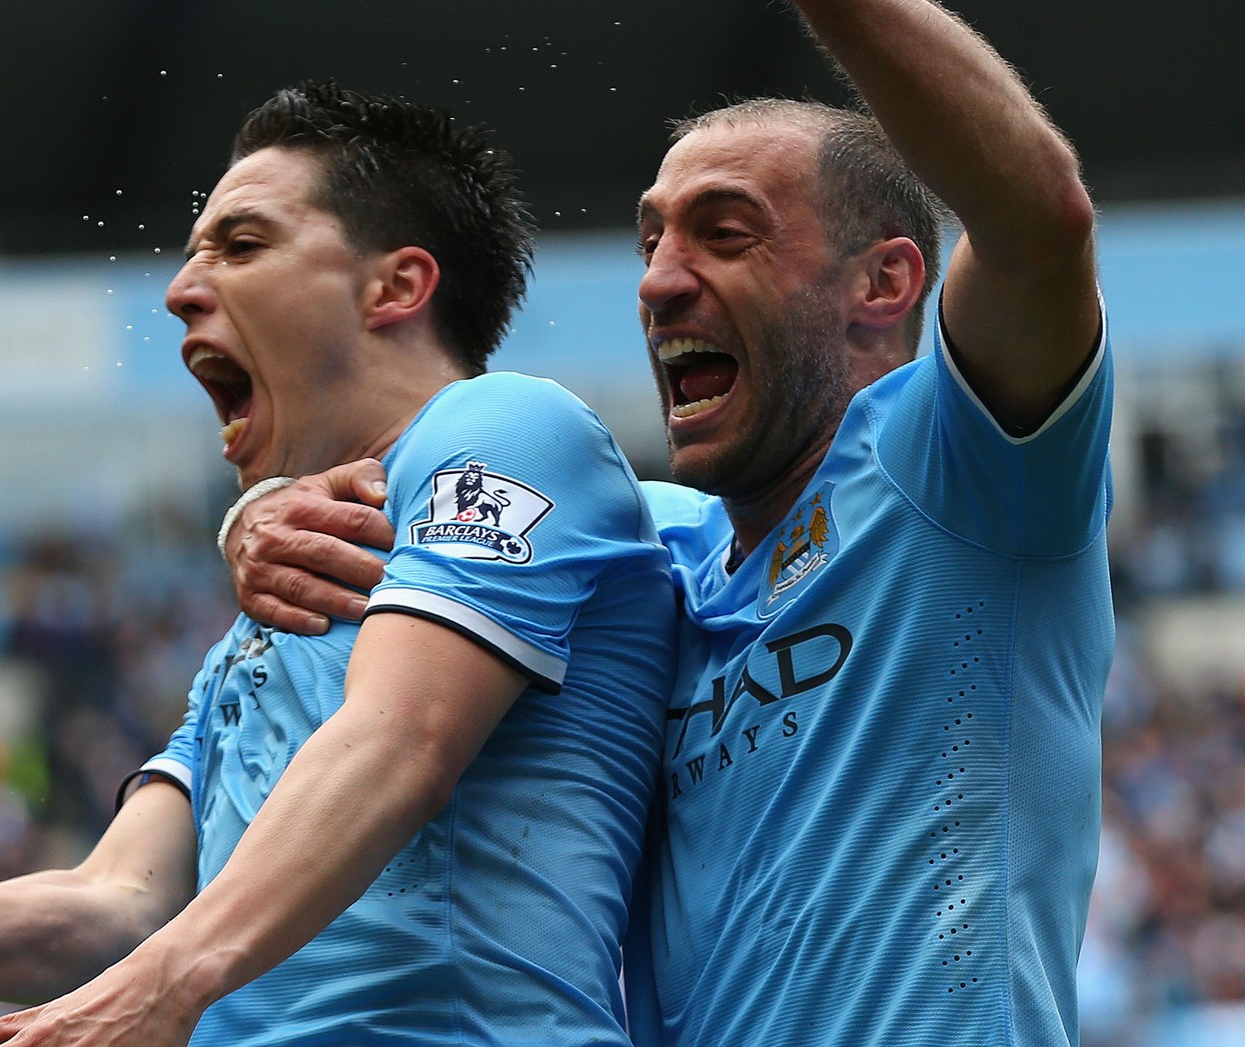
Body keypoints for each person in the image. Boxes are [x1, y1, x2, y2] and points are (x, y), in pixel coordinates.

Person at [219, 2, 1114, 1045]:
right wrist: (254, 510)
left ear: (884, 280)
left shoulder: (955, 476)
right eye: (652, 239)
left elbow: (1041, 222)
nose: (658, 281)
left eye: (724, 234)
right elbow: (436, 493)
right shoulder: (658, 554)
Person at [0, 81, 677, 1046]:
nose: (180, 291)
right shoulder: (262, 620)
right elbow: (124, 897)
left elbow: (401, 740)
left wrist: (166, 983)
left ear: (395, 287)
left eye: (242, 246)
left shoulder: (510, 426)